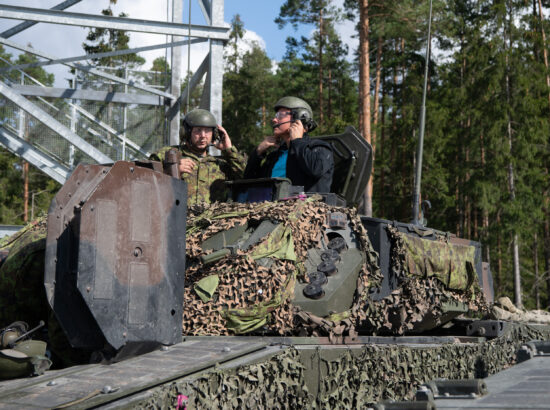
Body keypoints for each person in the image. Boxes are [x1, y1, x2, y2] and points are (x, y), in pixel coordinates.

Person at [150, 109, 246, 205]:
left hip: (211, 219)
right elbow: (142, 179)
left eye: (208, 131)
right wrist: (170, 170)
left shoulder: (221, 165)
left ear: (214, 134)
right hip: (174, 217)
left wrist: (229, 150)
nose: (203, 136)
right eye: (198, 130)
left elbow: (246, 177)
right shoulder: (167, 155)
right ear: (186, 132)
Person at [244, 96, 334, 193]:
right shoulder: (275, 156)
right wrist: (258, 152)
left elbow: (315, 170)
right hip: (270, 206)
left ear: (299, 117)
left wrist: (297, 141)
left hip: (304, 206)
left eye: (280, 115)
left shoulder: (319, 148)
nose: (274, 120)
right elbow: (249, 181)